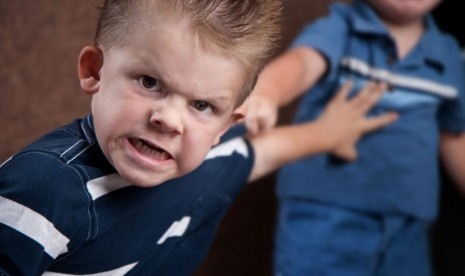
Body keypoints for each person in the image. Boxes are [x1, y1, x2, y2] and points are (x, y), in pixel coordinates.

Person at [0, 0, 397, 275]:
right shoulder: (44, 189)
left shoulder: (206, 162)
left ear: (227, 124)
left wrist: (329, 133)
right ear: (94, 71)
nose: (170, 120)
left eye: (202, 106)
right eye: (150, 82)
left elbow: (260, 153)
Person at [244, 0, 465, 275]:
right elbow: (302, 63)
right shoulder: (341, 26)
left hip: (408, 225)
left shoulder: (447, 53)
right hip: (325, 215)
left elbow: (453, 136)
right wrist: (267, 93)